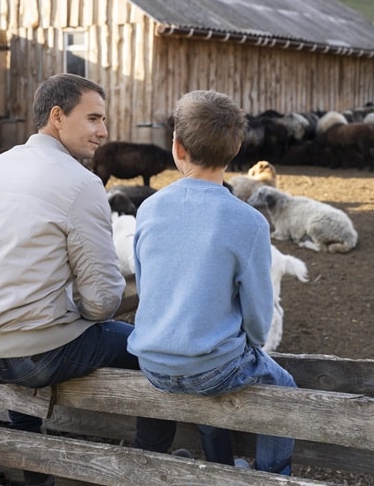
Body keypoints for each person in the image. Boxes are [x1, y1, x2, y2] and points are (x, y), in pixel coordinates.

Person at [0, 73, 176, 486]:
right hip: (36, 356)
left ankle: (34, 471)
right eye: (94, 119)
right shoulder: (81, 183)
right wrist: (75, 308)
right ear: (57, 116)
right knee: (151, 352)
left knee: (27, 325)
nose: (103, 132)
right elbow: (101, 302)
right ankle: (150, 467)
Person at [127, 89, 297, 475]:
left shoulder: (149, 208)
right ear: (236, 148)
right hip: (215, 368)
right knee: (284, 386)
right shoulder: (249, 221)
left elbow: (146, 282)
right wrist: (251, 345)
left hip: (151, 362)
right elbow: (258, 315)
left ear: (177, 147)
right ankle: (273, 475)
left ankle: (217, 462)